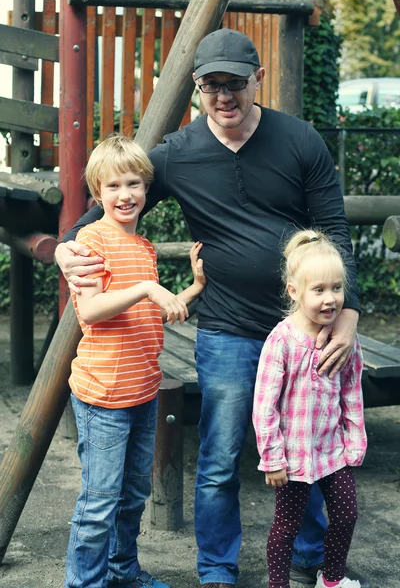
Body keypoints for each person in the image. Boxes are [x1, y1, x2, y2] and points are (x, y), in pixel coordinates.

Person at [55, 29, 370, 588]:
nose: (223, 96)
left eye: (234, 84)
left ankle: (311, 555)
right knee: (221, 459)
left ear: (259, 80)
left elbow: (335, 230)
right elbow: (107, 205)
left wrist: (348, 312)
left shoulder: (301, 141)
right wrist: (62, 248)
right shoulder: (178, 154)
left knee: (314, 446)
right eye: (209, 86)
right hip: (226, 328)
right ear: (196, 88)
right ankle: (217, 571)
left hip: (303, 328)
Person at [64, 135, 206, 588]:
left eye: (134, 184)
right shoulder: (90, 239)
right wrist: (147, 289)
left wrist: (194, 288)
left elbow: (157, 309)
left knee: (132, 496)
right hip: (103, 393)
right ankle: (84, 582)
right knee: (99, 501)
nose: (125, 195)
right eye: (113, 187)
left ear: (147, 188)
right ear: (97, 193)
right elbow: (89, 309)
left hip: (143, 390)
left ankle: (122, 571)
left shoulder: (143, 247)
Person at [253, 229, 368, 588]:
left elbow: (351, 391)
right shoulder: (282, 340)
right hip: (293, 455)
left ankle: (331, 579)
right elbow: (264, 404)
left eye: (337, 288)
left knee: (346, 514)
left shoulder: (343, 339)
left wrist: (354, 440)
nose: (330, 299)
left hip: (332, 451)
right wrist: (272, 458)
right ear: (295, 292)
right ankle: (278, 585)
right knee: (286, 526)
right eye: (319, 290)